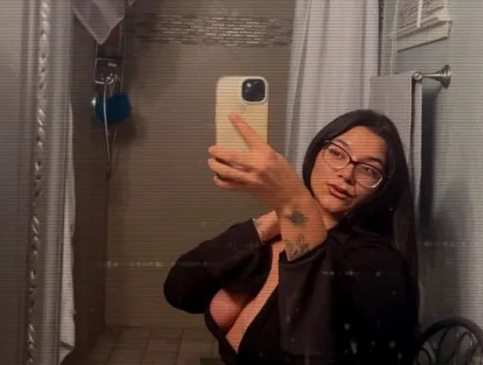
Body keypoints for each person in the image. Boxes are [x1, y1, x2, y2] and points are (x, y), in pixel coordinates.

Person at [164, 109, 419, 364]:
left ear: (382, 188)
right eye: (337, 153)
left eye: (368, 170)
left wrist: (294, 202)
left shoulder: (375, 260)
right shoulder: (275, 232)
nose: (346, 174)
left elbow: (313, 348)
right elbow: (180, 291)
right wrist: (269, 222)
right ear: (316, 153)